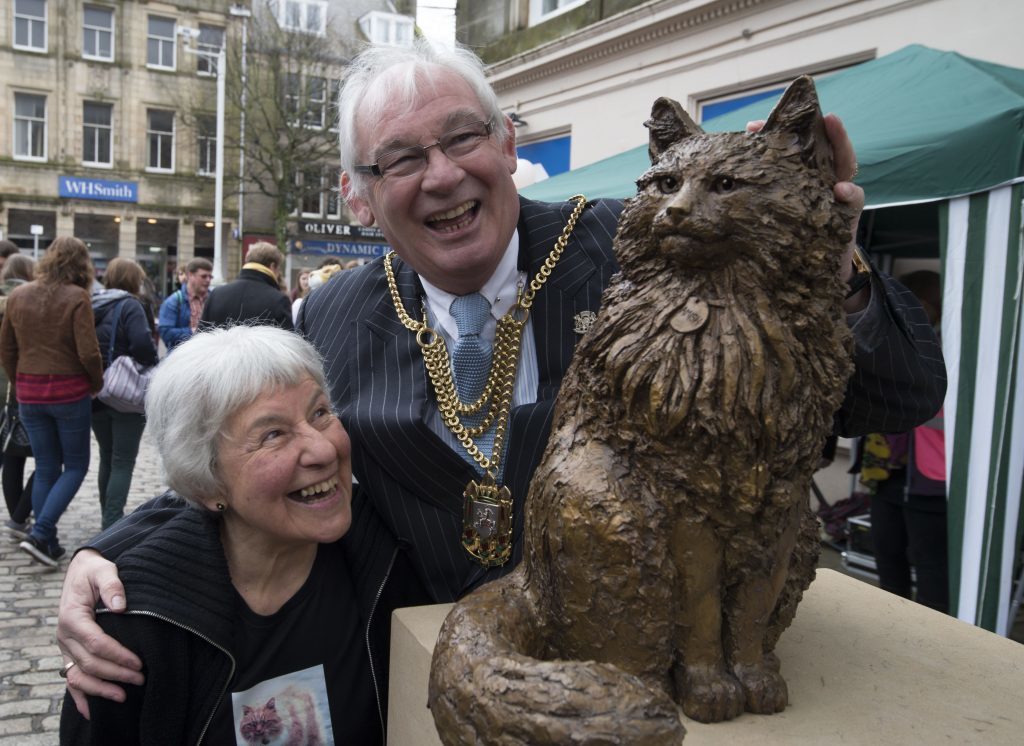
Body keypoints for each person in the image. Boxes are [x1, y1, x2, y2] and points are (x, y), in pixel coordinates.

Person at [57, 40, 946, 704]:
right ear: (359, 194)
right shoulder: (333, 313)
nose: (443, 176)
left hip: (667, 663)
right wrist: (110, 552)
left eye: (463, 138)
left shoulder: (640, 246)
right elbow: (256, 459)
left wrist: (831, 266)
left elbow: (898, 394)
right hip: (424, 660)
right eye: (402, 158)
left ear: (509, 140)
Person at [59, 325, 417, 744]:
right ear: (207, 483)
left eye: (320, 413)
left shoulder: (384, 549)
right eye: (273, 434)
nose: (323, 450)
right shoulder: (134, 627)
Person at [0, 237, 103, 566]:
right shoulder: (77, 297)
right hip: (69, 391)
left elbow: (6, 348)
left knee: (46, 467)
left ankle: (50, 542)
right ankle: (41, 532)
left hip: (28, 391)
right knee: (75, 466)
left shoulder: (17, 295)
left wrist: (19, 381)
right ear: (81, 264)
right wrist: (96, 383)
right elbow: (88, 351)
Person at [861, 270, 948, 613]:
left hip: (930, 479)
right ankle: (891, 626)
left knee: (930, 570)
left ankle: (932, 641)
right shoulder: (892, 341)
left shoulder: (948, 351)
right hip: (887, 475)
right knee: (887, 558)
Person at [90, 258, 160, 531]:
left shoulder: (93, 302)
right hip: (125, 393)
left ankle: (107, 516)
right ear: (134, 280)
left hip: (97, 391)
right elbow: (142, 344)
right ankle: (112, 522)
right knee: (122, 461)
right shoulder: (131, 304)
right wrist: (153, 361)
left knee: (107, 456)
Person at [0, 254, 36, 538]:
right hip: (22, 384)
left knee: (12, 456)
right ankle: (21, 514)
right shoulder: (29, 300)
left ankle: (17, 516)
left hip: (8, 385)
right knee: (51, 459)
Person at [200, 242, 293, 330]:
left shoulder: (216, 294)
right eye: (279, 268)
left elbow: (200, 337)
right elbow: (288, 343)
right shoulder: (278, 300)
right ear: (273, 266)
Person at [157, 257, 212, 351]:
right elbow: (165, 333)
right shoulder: (174, 301)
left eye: (210, 277)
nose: (208, 280)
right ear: (190, 275)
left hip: (209, 357)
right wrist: (193, 331)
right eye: (203, 276)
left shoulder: (213, 299)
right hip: (183, 359)